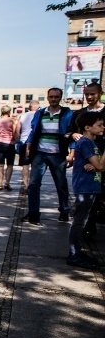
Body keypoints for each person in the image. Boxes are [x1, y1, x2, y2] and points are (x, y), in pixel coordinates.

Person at [24, 88, 74, 225]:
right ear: (47, 98)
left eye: (56, 97)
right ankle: (34, 213)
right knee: (33, 184)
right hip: (40, 153)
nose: (53, 99)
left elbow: (71, 133)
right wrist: (29, 145)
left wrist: (72, 153)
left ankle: (64, 210)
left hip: (57, 154)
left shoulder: (67, 113)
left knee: (61, 184)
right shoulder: (40, 113)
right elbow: (34, 130)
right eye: (51, 97)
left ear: (60, 98)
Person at [67, 82, 105, 236]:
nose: (89, 97)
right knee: (89, 194)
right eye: (87, 94)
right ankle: (88, 227)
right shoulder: (80, 113)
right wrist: (72, 135)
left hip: (100, 158)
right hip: (87, 159)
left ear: (100, 93)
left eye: (93, 94)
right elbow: (68, 132)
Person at [67, 112, 104, 269]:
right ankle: (74, 254)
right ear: (88, 127)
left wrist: (96, 166)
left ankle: (77, 251)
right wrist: (98, 165)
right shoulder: (86, 143)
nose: (103, 127)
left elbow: (98, 166)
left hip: (90, 187)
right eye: (100, 125)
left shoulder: (91, 142)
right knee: (79, 222)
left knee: (82, 220)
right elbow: (101, 166)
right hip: (85, 188)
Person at [0, 105, 19, 190]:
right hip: (9, 144)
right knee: (10, 165)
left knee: (0, 165)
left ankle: (0, 184)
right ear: (9, 112)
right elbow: (15, 133)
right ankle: (7, 183)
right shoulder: (12, 121)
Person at [17, 100, 41, 189]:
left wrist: (18, 140)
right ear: (38, 107)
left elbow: (17, 130)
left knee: (25, 165)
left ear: (29, 107)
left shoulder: (23, 116)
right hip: (37, 142)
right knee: (36, 164)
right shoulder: (40, 115)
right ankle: (34, 184)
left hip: (24, 141)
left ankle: (25, 185)